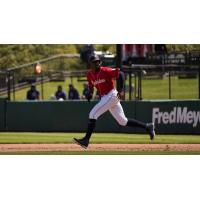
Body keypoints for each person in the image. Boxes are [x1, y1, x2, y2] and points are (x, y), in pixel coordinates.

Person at [74, 54, 155, 149]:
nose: (97, 63)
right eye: (94, 62)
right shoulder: (89, 75)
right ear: (90, 64)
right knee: (123, 121)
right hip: (107, 97)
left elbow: (120, 74)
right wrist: (90, 94)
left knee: (92, 114)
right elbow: (91, 87)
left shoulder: (105, 70)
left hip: (111, 95)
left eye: (97, 61)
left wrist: (120, 90)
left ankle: (86, 140)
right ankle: (147, 127)